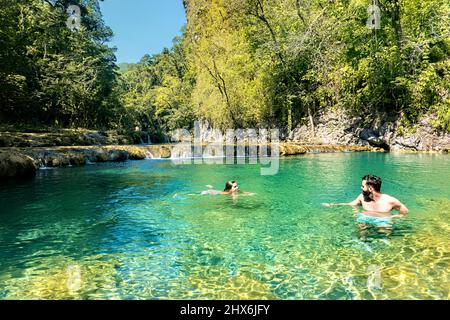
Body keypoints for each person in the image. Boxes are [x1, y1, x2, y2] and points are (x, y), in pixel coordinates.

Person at [322, 174, 409, 228]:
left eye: (363, 186)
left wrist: (391, 218)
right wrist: (332, 204)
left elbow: (405, 212)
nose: (361, 188)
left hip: (382, 221)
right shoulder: (362, 197)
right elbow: (350, 204)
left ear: (370, 188)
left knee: (384, 229)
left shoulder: (390, 201)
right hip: (366, 219)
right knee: (361, 226)